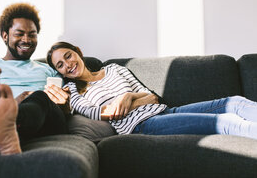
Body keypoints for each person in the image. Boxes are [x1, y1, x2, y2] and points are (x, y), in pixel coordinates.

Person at [46, 41, 257, 139]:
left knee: (235, 102)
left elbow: (153, 98)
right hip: (142, 126)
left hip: (164, 112)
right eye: (60, 65)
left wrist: (128, 97)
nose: (68, 65)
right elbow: (107, 113)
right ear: (60, 72)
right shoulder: (73, 92)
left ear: (78, 53)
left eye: (68, 56)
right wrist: (133, 100)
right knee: (227, 122)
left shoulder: (114, 69)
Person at [0, 3, 70, 155]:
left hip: (47, 123)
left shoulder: (49, 69)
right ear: (5, 35)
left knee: (40, 96)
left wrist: (64, 103)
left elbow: (60, 108)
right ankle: (5, 128)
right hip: (15, 121)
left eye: (32, 34)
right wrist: (16, 102)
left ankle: (5, 122)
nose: (26, 40)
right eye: (19, 34)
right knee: (20, 102)